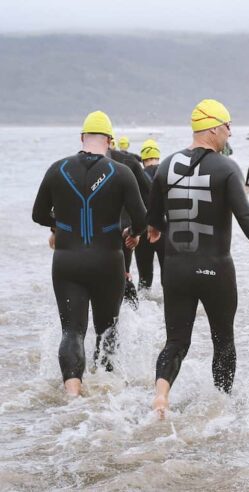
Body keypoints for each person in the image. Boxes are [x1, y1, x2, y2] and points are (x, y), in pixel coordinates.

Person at [147, 99, 249, 416]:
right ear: (211, 128)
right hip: (215, 270)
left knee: (176, 342)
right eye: (227, 126)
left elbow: (152, 220)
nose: (230, 133)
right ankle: (222, 408)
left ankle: (161, 398)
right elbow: (247, 218)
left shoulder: (165, 166)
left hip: (176, 270)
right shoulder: (225, 168)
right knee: (223, 341)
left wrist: (152, 231)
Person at [31, 111, 147, 396]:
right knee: (108, 330)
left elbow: (38, 214)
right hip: (108, 261)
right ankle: (106, 395)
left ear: (82, 138)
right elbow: (142, 218)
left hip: (68, 261)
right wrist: (132, 234)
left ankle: (72, 395)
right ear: (109, 141)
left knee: (72, 331)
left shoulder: (57, 169)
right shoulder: (121, 172)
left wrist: (62, 226)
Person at [109, 137, 150, 307]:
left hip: (96, 238)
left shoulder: (77, 165)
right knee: (124, 275)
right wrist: (137, 231)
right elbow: (149, 192)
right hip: (125, 230)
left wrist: (55, 231)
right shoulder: (130, 161)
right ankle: (134, 317)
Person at [133, 139, 165, 289]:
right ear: (158, 156)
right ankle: (168, 308)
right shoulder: (167, 174)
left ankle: (143, 311)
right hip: (165, 229)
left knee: (144, 278)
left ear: (143, 158)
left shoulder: (135, 177)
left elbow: (131, 207)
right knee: (168, 274)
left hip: (143, 230)